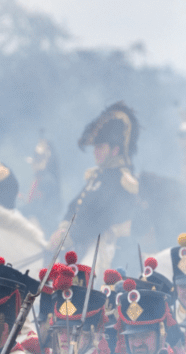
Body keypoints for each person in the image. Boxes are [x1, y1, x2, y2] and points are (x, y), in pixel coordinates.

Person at [52, 102, 140, 268]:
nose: (95, 152)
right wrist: (64, 228)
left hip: (107, 244)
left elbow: (104, 218)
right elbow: (75, 205)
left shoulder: (122, 179)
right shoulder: (96, 176)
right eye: (95, 147)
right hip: (82, 240)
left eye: (100, 147)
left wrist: (72, 235)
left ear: (114, 150)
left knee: (85, 274)